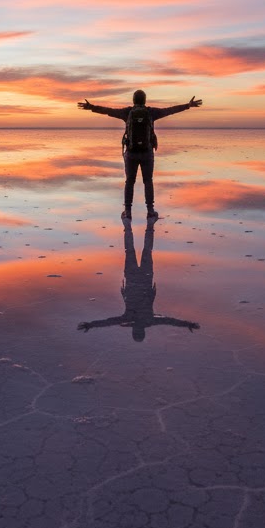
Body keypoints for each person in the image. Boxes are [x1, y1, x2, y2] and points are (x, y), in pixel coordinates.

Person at [77, 89, 202, 219]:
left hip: (131, 153)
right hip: (147, 152)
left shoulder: (127, 112)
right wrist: (188, 105)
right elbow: (169, 110)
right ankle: (150, 211)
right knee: (148, 181)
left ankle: (128, 212)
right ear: (145, 100)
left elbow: (109, 111)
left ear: (133, 100)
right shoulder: (151, 112)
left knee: (129, 182)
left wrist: (91, 107)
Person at [77, 217, 199, 341]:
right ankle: (130, 225)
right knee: (132, 250)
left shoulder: (144, 320)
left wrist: (187, 324)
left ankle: (145, 225)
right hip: (134, 278)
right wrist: (90, 325)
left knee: (144, 251)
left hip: (141, 278)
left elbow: (169, 321)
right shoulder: (134, 320)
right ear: (135, 331)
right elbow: (169, 321)